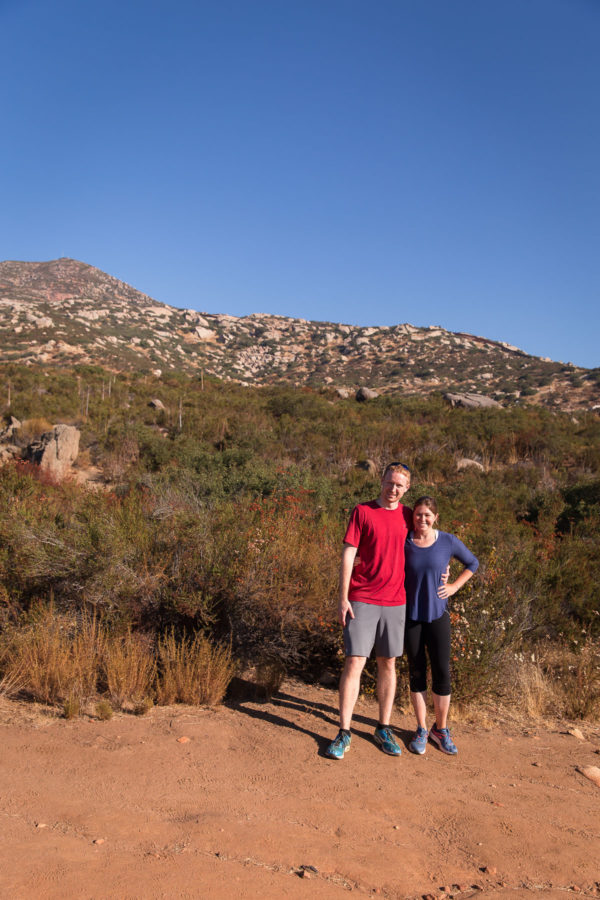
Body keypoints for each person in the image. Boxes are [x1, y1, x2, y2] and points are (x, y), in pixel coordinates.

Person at [325, 462, 413, 760]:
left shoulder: (409, 516)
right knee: (355, 662)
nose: (393, 489)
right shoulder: (362, 511)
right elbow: (348, 553)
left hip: (395, 600)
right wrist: (343, 597)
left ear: (407, 488)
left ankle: (383, 727)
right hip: (362, 597)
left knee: (388, 663)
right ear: (381, 481)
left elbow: (426, 546)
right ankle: (344, 731)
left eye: (399, 485)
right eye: (390, 483)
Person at [404, 496, 478, 756]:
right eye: (418, 514)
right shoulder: (404, 541)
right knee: (416, 672)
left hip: (437, 615)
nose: (422, 519)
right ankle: (422, 729)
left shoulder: (447, 541)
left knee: (442, 673)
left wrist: (454, 586)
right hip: (410, 617)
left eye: (427, 515)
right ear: (412, 516)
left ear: (436, 517)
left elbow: (472, 563)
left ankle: (441, 729)